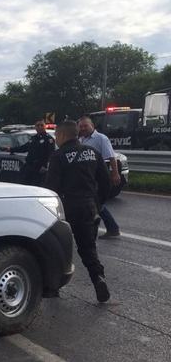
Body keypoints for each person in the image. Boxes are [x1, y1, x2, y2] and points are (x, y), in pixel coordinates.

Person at [45, 120, 111, 303]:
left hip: (67, 208)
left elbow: (51, 188)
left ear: (63, 135)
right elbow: (105, 183)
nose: (56, 140)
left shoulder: (58, 156)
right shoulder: (93, 153)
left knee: (56, 247)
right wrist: (98, 204)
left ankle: (53, 287)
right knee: (88, 249)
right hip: (90, 208)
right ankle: (98, 278)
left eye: (56, 136)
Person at [78, 116, 121, 238]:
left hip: (99, 175)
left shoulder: (101, 138)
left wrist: (115, 173)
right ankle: (110, 228)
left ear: (92, 126)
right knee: (95, 202)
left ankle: (111, 228)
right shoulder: (81, 139)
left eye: (85, 125)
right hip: (87, 176)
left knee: (96, 202)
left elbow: (111, 157)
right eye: (81, 126)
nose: (83, 128)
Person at [8, 119, 56, 186]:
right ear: (35, 127)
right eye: (37, 125)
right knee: (24, 185)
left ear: (45, 126)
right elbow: (24, 148)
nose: (39, 127)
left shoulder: (49, 139)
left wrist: (45, 166)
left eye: (41, 125)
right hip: (29, 166)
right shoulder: (33, 138)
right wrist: (11, 149)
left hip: (40, 168)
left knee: (36, 187)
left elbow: (51, 154)